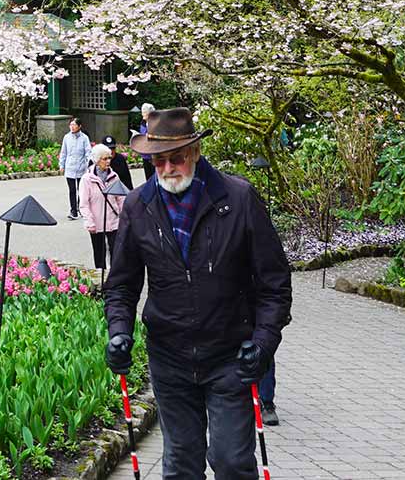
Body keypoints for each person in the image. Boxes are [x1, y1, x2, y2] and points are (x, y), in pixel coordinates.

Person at [103, 107, 292, 480]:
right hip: (169, 357)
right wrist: (119, 330)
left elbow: (274, 283)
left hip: (229, 355)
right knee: (180, 464)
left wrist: (264, 341)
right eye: (159, 161)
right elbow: (122, 284)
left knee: (231, 460)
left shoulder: (237, 198)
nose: (168, 168)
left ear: (195, 153)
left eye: (176, 158)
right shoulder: (139, 206)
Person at [79, 143, 124, 273]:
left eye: (109, 158)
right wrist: (89, 221)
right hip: (96, 222)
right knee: (99, 253)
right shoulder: (87, 179)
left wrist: (124, 216)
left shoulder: (114, 176)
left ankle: (115, 277)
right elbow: (84, 204)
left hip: (114, 221)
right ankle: (101, 278)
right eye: (105, 159)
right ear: (97, 160)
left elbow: (120, 198)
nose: (108, 161)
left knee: (116, 251)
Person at [60, 117, 93, 219]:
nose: (72, 127)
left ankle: (82, 209)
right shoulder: (66, 137)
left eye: (74, 125)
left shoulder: (84, 138)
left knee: (81, 190)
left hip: (81, 167)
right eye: (71, 125)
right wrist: (62, 165)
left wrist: (89, 166)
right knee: (72, 190)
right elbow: (63, 152)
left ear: (79, 126)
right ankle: (73, 210)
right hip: (70, 167)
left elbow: (88, 153)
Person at [132, 103, 158, 181]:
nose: (142, 113)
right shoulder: (143, 123)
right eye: (142, 111)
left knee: (155, 177)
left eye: (144, 112)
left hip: (153, 154)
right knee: (148, 177)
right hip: (145, 154)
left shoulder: (156, 123)